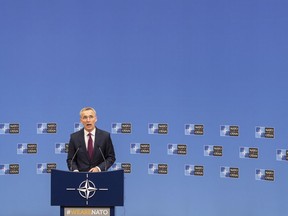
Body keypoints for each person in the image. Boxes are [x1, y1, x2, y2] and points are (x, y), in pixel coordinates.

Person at [67, 107, 116, 172]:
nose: (88, 120)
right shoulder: (74, 137)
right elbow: (70, 160)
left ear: (95, 119)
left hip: (100, 177)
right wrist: (75, 171)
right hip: (80, 178)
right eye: (85, 117)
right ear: (81, 120)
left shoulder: (105, 136)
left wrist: (98, 168)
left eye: (91, 117)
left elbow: (111, 158)